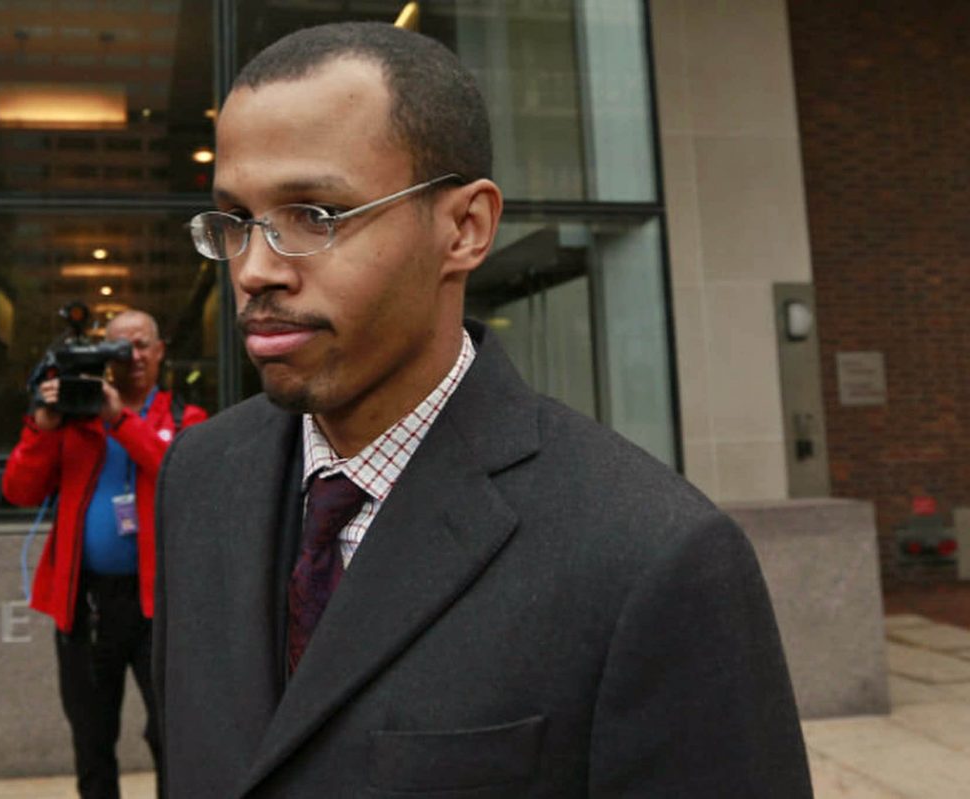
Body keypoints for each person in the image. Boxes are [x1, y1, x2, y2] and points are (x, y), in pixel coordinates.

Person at [152, 22, 812, 798]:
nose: (256, 268)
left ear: (465, 228)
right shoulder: (198, 475)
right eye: (235, 221)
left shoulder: (653, 556)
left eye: (315, 216)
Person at [3, 309, 207, 799]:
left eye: (141, 346)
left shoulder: (185, 419)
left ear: (160, 352)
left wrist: (120, 419)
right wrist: (43, 426)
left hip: (160, 607)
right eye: (119, 348)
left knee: (173, 736)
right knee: (92, 739)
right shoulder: (75, 423)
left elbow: (183, 478)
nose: (131, 357)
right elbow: (19, 490)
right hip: (86, 605)